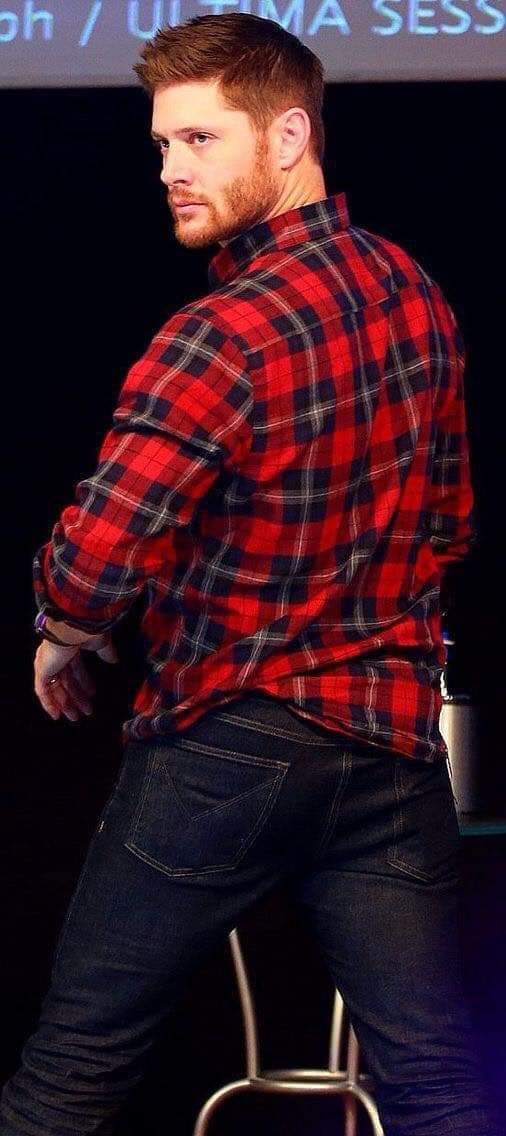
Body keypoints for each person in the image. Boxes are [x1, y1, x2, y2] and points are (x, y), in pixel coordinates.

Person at [0, 13, 501, 1136]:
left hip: (228, 742)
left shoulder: (218, 336)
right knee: (436, 1083)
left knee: (73, 1066)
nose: (170, 171)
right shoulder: (414, 292)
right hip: (387, 748)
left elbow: (91, 564)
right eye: (161, 145)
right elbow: (449, 527)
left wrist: (64, 631)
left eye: (199, 140)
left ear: (286, 137)